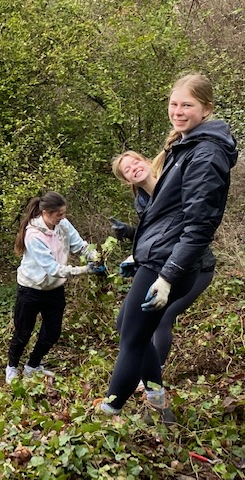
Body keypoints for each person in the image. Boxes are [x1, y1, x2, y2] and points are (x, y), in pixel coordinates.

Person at [96, 73, 238, 419]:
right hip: (159, 258)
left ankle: (109, 411)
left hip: (169, 263)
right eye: (174, 104)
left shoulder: (205, 154)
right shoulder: (186, 145)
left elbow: (199, 224)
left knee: (132, 338)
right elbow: (169, 215)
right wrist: (135, 247)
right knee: (127, 329)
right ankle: (157, 398)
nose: (178, 111)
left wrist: (168, 276)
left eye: (187, 105)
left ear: (206, 108)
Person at [110, 151, 216, 375]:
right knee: (133, 320)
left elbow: (187, 234)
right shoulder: (142, 201)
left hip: (197, 267)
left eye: (136, 162)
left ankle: (153, 372)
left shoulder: (175, 186)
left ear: (148, 162)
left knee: (162, 317)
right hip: (163, 269)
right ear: (127, 180)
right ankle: (149, 376)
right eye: (127, 170)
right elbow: (156, 238)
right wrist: (130, 238)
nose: (134, 168)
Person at [6, 191, 105, 384]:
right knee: (23, 332)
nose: (63, 217)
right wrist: (85, 269)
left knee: (52, 332)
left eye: (64, 213)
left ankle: (32, 366)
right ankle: (12, 366)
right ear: (46, 213)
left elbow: (79, 245)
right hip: (31, 289)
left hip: (54, 290)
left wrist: (96, 257)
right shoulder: (33, 235)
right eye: (59, 214)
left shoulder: (63, 225)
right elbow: (52, 268)